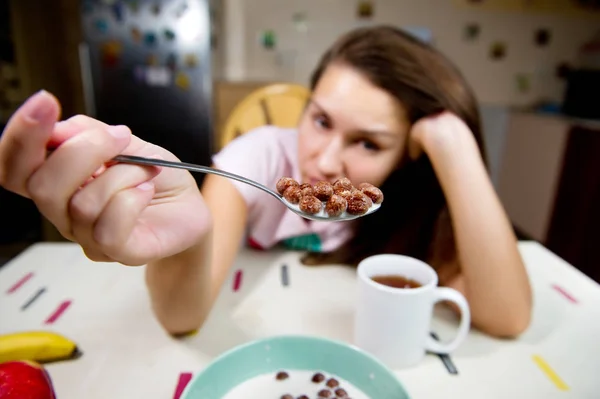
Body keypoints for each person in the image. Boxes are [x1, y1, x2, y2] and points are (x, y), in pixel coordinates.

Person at [0, 26, 531, 338]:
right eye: (320, 120)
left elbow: (507, 317)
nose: (324, 162)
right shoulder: (257, 159)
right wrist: (188, 240)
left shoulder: (406, 206)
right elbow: (183, 318)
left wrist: (453, 143)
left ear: (407, 160)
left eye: (368, 143)